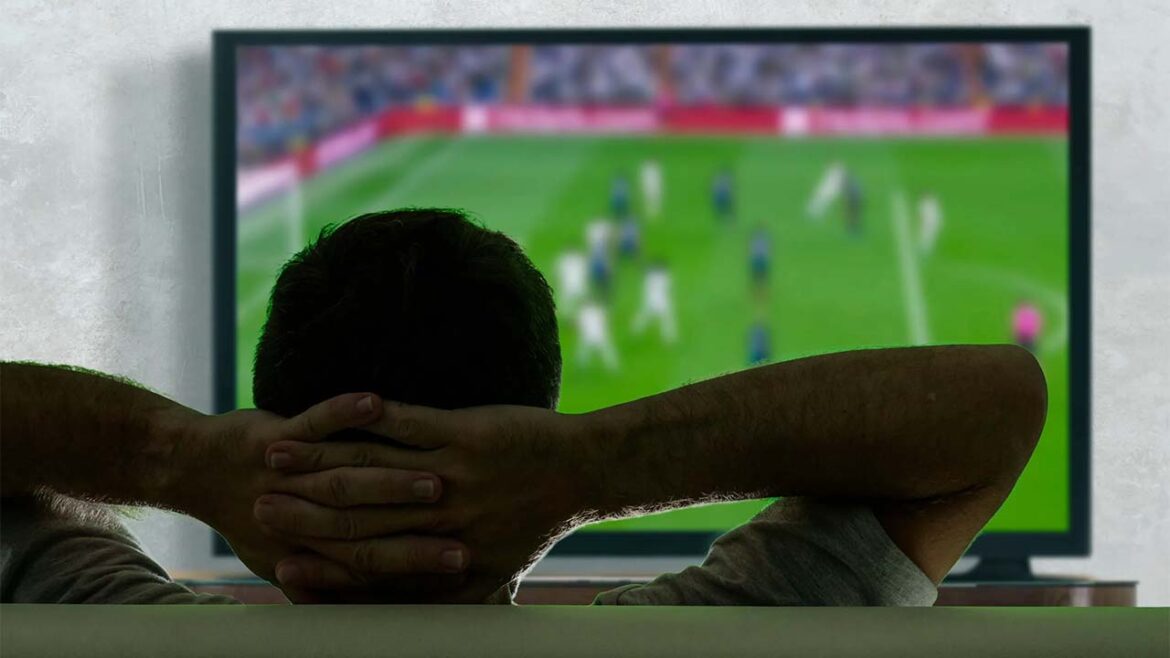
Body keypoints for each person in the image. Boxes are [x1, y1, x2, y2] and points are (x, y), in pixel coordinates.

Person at [2, 209, 1048, 608]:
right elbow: (996, 407)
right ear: (533, 414)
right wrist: (591, 468)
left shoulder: (103, 630)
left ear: (282, 428)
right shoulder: (718, 641)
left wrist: (179, 457)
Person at [630, 261, 677, 345]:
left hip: (651, 302)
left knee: (645, 316)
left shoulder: (648, 279)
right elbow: (669, 287)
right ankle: (669, 339)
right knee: (667, 320)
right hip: (662, 302)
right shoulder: (665, 278)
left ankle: (636, 329)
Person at [555, 249, 588, 317]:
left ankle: (566, 314)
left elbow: (559, 273)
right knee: (576, 301)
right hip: (577, 285)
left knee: (567, 302)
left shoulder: (565, 261)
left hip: (570, 285)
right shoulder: (580, 260)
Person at [918, 192, 944, 256]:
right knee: (925, 236)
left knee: (928, 236)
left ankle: (925, 251)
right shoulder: (923, 203)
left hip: (930, 223)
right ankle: (924, 250)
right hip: (927, 223)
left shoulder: (932, 203)